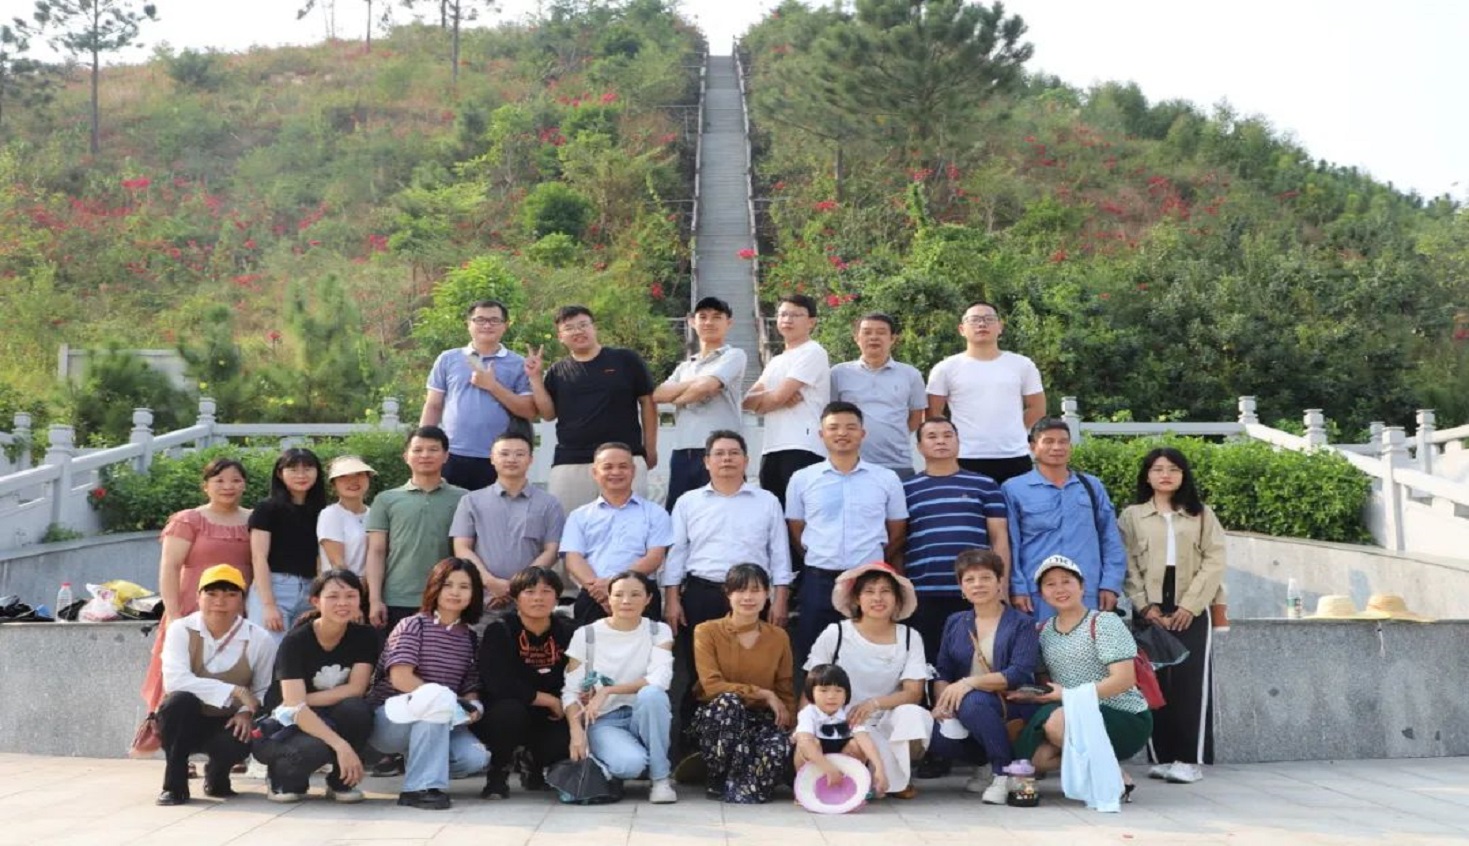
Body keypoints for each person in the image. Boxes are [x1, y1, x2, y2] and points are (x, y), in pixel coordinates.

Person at [661, 430, 792, 725]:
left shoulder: (767, 501)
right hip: (703, 593)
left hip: (752, 596)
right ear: (706, 461)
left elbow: (779, 554)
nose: (727, 459)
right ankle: (695, 739)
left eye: (734, 453)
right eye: (719, 454)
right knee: (700, 673)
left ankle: (751, 734)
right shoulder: (688, 502)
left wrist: (780, 599)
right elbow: (677, 554)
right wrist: (672, 599)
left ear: (746, 460)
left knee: (753, 669)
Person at [1120, 447, 1226, 785]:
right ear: (1147, 475)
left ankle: (1189, 759)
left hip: (1190, 603)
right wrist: (1144, 606)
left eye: (1173, 469)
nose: (1165, 475)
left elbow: (1215, 560)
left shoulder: (1202, 514)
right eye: (1158, 469)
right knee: (1152, 681)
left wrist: (1190, 606)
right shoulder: (1132, 516)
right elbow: (1126, 564)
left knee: (1189, 683)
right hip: (1148, 606)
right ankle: (1163, 756)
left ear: (1183, 475)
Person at [1008, 556, 1151, 805]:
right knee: (1039, 759)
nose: (1059, 589)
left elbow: (1124, 680)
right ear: (1041, 594)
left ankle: (1113, 778)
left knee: (1057, 722)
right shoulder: (1042, 631)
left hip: (1121, 713)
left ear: (1082, 587)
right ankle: (1107, 774)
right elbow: (1047, 686)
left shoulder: (1104, 622)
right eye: (1050, 584)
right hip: (1071, 713)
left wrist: (1068, 695)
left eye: (1066, 581)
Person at [786, 402, 908, 660]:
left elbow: (897, 530)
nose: (842, 433)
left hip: (868, 581)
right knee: (815, 658)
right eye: (834, 428)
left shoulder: (886, 478)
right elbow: (796, 529)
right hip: (818, 580)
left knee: (868, 656)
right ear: (822, 434)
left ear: (862, 433)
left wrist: (871, 561)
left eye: (851, 427)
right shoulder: (802, 479)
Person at [367, 558, 490, 810]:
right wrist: (447, 700)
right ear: (434, 587)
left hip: (442, 720)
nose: (455, 592)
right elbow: (400, 678)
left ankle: (421, 765)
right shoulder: (413, 625)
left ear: (474, 593)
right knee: (434, 701)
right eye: (448, 585)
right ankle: (419, 789)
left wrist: (473, 706)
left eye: (464, 587)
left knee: (475, 758)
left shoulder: (469, 637)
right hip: (390, 720)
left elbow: (470, 686)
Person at [803, 563, 931, 798]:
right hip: (842, 722)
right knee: (854, 749)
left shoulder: (910, 637)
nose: (877, 598)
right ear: (857, 598)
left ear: (897, 599)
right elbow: (811, 686)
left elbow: (913, 692)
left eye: (885, 591)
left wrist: (874, 704)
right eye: (869, 591)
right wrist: (806, 727)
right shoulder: (836, 633)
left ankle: (899, 777)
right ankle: (878, 779)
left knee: (914, 715)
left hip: (886, 718)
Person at [253, 569, 379, 803]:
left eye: (350, 596)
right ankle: (281, 778)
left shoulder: (365, 637)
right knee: (313, 750)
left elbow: (356, 689)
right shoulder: (295, 641)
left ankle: (341, 782)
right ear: (315, 601)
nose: (343, 603)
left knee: (357, 709)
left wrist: (302, 699)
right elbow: (294, 709)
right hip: (285, 724)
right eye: (333, 596)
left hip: (324, 712)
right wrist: (341, 745)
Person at [154, 564, 277, 806]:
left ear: (242, 600)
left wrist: (246, 712)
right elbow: (175, 680)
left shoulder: (259, 639)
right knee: (178, 702)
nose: (220, 602)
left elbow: (264, 688)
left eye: (230, 594)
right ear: (198, 597)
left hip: (228, 719)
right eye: (211, 594)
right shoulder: (181, 630)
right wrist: (235, 690)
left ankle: (218, 775)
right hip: (187, 718)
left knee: (238, 737)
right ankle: (174, 785)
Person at [142, 458, 254, 718]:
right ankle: (173, 736)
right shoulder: (189, 520)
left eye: (236, 480)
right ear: (206, 486)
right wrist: (174, 615)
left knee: (236, 673)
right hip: (193, 608)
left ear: (244, 485)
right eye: (219, 480)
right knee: (184, 675)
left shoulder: (255, 519)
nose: (228, 486)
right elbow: (170, 567)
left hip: (240, 609)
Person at [926, 550, 1040, 803]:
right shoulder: (956, 621)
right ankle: (984, 763)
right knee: (933, 732)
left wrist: (969, 683)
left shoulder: (1021, 623)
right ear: (961, 587)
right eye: (970, 579)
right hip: (966, 704)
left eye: (985, 577)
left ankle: (1002, 772)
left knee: (973, 701)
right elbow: (943, 669)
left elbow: (1018, 672)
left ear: (1000, 582)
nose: (978, 584)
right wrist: (943, 703)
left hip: (1012, 702)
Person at [898, 417, 1010, 664]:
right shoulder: (905, 489)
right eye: (932, 436)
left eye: (948, 435)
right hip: (924, 592)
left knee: (978, 663)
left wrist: (1002, 585)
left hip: (976, 591)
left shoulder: (985, 485)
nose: (941, 441)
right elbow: (898, 540)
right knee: (929, 663)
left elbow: (999, 538)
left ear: (959, 442)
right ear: (919, 447)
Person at [562, 571, 678, 804]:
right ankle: (609, 766)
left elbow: (660, 678)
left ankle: (660, 779)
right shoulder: (587, 634)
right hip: (605, 720)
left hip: (643, 715)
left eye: (635, 594)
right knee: (630, 765)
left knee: (653, 695)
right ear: (608, 598)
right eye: (619, 595)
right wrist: (576, 732)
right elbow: (571, 691)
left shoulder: (658, 631)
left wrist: (608, 690)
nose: (626, 601)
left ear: (648, 599)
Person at [531, 305, 658, 514]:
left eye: (583, 325)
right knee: (569, 525)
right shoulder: (557, 371)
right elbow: (548, 414)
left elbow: (648, 402)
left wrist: (650, 449)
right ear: (560, 336)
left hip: (623, 458)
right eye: (569, 328)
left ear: (594, 327)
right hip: (571, 461)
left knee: (629, 523)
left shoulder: (626, 360)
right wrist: (535, 378)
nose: (578, 331)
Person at [688, 564, 796, 804]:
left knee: (776, 750)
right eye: (740, 590)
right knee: (729, 702)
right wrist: (763, 693)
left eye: (755, 590)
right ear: (728, 593)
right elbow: (712, 686)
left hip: (760, 719)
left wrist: (792, 728)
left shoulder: (778, 636)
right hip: (718, 717)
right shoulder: (707, 631)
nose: (748, 597)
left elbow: (785, 687)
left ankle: (743, 782)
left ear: (767, 594)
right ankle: (718, 776)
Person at [1003, 418, 1126, 620]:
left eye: (1063, 441)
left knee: (1088, 640)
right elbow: (1011, 543)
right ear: (1033, 446)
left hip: (1088, 591)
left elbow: (1110, 537)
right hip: (1037, 594)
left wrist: (1110, 584)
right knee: (1037, 641)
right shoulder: (1014, 489)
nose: (1057, 447)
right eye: (1048, 441)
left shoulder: (1091, 486)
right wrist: (1017, 587)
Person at [473, 566, 576, 799]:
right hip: (508, 707)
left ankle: (534, 765)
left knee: (566, 735)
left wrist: (561, 703)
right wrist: (547, 700)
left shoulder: (567, 631)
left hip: (552, 712)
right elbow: (498, 683)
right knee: (509, 713)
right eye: (529, 592)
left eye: (546, 591)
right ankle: (498, 774)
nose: (538, 598)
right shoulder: (500, 630)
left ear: (556, 597)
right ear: (516, 598)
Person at [420, 299, 536, 491]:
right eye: (480, 320)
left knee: (495, 509)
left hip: (499, 456)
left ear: (505, 325)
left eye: (494, 320)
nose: (487, 325)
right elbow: (433, 405)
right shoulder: (448, 359)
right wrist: (424, 444)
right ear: (468, 324)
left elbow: (528, 411)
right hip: (452, 453)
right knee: (450, 508)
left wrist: (492, 386)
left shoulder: (518, 364)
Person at [925, 301, 1046, 486]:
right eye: (974, 320)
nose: (982, 324)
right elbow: (933, 413)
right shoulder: (945, 368)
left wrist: (1012, 429)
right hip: (963, 456)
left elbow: (1037, 408)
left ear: (1000, 327)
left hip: (1014, 455)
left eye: (989, 319)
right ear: (961, 329)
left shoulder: (1022, 365)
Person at [365, 426, 468, 632]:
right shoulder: (386, 499)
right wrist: (375, 599)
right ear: (406, 456)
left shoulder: (464, 498)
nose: (425, 455)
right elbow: (376, 551)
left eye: (433, 449)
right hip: (397, 598)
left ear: (446, 456)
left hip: (447, 597)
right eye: (418, 450)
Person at [450, 432, 566, 613]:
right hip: (483, 597)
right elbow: (462, 548)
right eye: (504, 453)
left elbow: (552, 550)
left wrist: (519, 585)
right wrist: (490, 581)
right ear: (492, 459)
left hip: (531, 598)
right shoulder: (471, 501)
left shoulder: (549, 504)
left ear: (530, 459)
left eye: (519, 454)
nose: (512, 459)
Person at [561, 442, 673, 625]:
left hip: (639, 594)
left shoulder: (655, 513)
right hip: (594, 595)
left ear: (633, 471)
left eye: (623, 466)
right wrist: (601, 592)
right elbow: (573, 559)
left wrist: (615, 586)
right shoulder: (579, 516)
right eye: (608, 467)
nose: (616, 472)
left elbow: (655, 557)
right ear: (595, 472)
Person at [653, 296, 748, 511]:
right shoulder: (685, 366)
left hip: (721, 452)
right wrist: (695, 387)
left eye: (716, 317)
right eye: (702, 317)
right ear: (692, 322)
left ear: (729, 323)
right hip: (683, 451)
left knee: (724, 512)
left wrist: (678, 398)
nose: (709, 322)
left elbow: (706, 387)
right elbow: (658, 394)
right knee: (679, 515)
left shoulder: (734, 355)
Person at [743, 294, 830, 508]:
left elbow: (775, 398)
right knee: (774, 513)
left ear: (811, 322)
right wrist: (775, 398)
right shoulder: (776, 361)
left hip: (803, 445)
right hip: (772, 447)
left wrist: (773, 400)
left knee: (800, 514)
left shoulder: (813, 352)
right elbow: (746, 402)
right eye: (783, 314)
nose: (787, 320)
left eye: (796, 315)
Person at [829, 312, 926, 478]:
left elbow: (916, 418)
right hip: (850, 464)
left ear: (893, 339)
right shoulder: (838, 373)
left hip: (897, 463)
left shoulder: (911, 374)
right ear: (856, 338)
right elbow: (829, 416)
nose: (873, 337)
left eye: (881, 332)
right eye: (867, 332)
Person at [249, 447, 328, 642]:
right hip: (275, 587)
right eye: (293, 469)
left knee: (300, 654)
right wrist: (268, 605)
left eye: (308, 469)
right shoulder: (267, 508)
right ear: (279, 473)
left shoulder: (323, 511)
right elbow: (258, 557)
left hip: (310, 590)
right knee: (270, 651)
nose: (301, 475)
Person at [792, 663, 887, 796]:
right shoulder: (808, 713)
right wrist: (828, 769)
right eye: (824, 690)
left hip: (842, 762)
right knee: (809, 743)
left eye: (838, 691)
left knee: (857, 744)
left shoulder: (849, 713)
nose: (831, 696)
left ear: (846, 694)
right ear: (811, 692)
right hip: (815, 767)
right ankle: (804, 791)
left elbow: (864, 740)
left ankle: (850, 788)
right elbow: (805, 742)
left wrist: (879, 768)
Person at [317, 455, 375, 576]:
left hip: (374, 584)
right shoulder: (330, 514)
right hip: (343, 584)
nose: (353, 481)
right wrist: (359, 584)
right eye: (343, 476)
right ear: (333, 484)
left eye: (359, 474)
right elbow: (338, 564)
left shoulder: (375, 514)